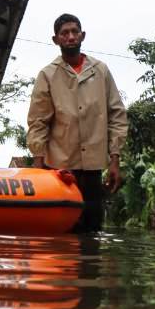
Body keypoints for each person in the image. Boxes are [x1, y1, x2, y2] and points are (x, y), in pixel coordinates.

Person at [26, 13, 128, 232]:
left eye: (74, 32)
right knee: (63, 230)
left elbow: (117, 115)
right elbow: (38, 122)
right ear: (56, 40)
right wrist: (38, 165)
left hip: (93, 168)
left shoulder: (100, 71)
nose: (70, 37)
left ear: (82, 36)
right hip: (61, 170)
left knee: (92, 229)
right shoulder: (47, 75)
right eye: (64, 33)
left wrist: (115, 159)